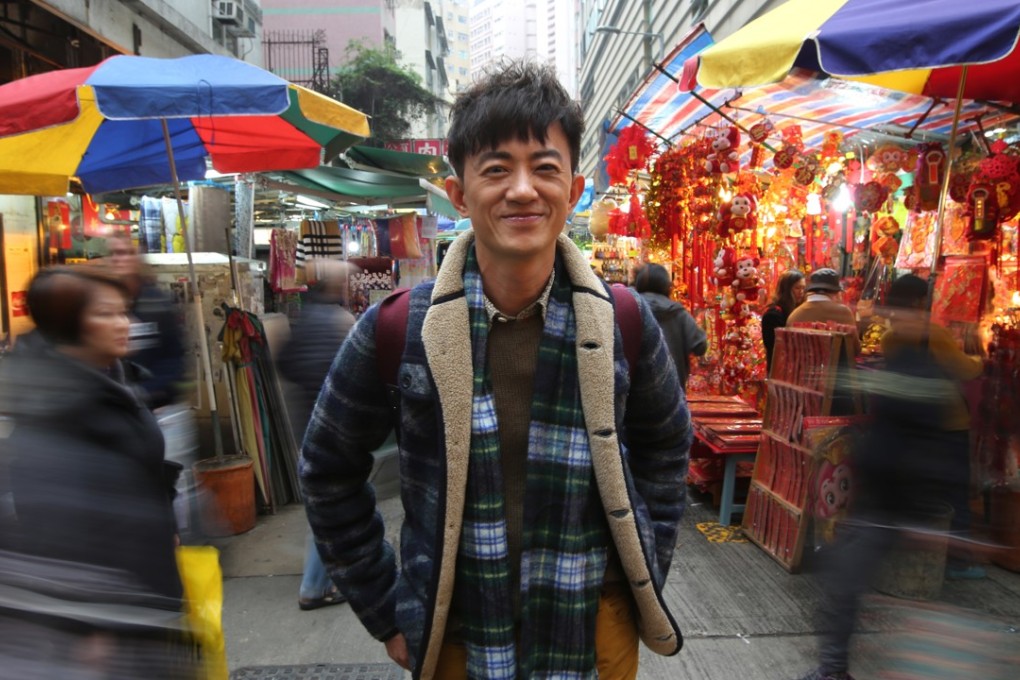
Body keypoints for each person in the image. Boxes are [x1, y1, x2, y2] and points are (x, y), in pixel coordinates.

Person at [300, 61, 692, 680]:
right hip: (455, 633)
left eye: (544, 167)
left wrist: (644, 570)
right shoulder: (399, 329)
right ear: (459, 193)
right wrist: (387, 608)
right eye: (496, 169)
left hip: (594, 627)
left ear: (574, 185)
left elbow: (667, 451)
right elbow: (325, 471)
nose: (522, 190)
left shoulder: (624, 322)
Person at [0, 265, 189, 677]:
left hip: (143, 593)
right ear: (72, 326)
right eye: (107, 313)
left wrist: (166, 515)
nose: (126, 324)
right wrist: (88, 626)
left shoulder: (114, 378)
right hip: (108, 619)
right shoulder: (53, 403)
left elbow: (140, 466)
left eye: (124, 311)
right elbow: (51, 524)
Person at [793, 274, 984, 680]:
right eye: (892, 309)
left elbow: (917, 410)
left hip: (904, 486)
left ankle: (836, 669)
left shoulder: (925, 343)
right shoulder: (908, 342)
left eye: (901, 308)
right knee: (845, 586)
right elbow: (902, 406)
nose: (895, 316)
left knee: (852, 587)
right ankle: (834, 669)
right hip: (886, 486)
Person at [276, 260, 357, 611]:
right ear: (337, 287)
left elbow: (284, 365)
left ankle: (327, 577)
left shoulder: (301, 321)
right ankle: (313, 586)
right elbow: (357, 375)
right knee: (331, 505)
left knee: (321, 501)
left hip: (304, 420)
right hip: (335, 425)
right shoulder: (343, 321)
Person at [105, 231, 186, 410]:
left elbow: (174, 357)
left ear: (137, 259)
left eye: (126, 253)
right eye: (114, 253)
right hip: (114, 407)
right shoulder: (101, 303)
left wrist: (144, 392)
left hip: (153, 405)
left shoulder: (157, 302)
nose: (119, 259)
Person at [633, 262, 707, 389]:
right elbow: (700, 346)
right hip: (673, 391)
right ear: (666, 286)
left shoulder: (631, 309)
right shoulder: (678, 313)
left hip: (636, 391)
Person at [761, 269, 805, 373]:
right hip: (780, 371)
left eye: (803, 288)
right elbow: (775, 347)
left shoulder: (799, 310)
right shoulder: (773, 314)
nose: (801, 292)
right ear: (786, 289)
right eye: (797, 288)